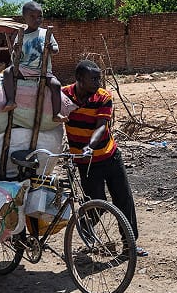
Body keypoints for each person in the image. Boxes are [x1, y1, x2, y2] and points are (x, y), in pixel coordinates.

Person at [62, 59, 147, 257]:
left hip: (109, 156)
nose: (98, 83)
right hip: (86, 162)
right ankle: (85, 230)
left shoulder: (103, 97)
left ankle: (129, 245)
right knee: (96, 203)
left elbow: (101, 126)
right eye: (93, 79)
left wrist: (89, 146)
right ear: (79, 79)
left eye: (98, 79)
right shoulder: (64, 95)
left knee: (124, 199)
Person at [2, 1, 66, 123]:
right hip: (25, 69)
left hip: (43, 70)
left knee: (56, 85)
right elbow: (16, 58)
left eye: (40, 16)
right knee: (7, 72)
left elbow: (56, 49)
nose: (37, 19)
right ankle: (11, 101)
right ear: (24, 18)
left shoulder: (46, 33)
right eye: (32, 16)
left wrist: (51, 48)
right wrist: (16, 51)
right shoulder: (21, 35)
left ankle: (56, 113)